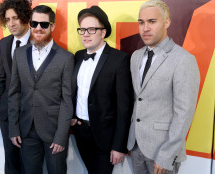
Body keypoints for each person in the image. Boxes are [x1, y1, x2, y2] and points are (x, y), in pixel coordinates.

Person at [127, 0, 200, 174]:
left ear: (166, 22)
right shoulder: (136, 57)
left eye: (152, 21)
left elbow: (184, 113)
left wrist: (167, 155)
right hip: (136, 146)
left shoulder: (183, 59)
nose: (145, 28)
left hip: (162, 151)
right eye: (141, 22)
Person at [8, 5, 74, 174]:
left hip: (53, 133)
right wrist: (14, 128)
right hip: (26, 130)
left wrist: (61, 137)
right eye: (34, 23)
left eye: (44, 24)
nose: (38, 28)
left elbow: (67, 101)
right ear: (29, 24)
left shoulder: (66, 58)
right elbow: (14, 93)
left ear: (52, 26)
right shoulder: (19, 54)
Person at [71, 6, 134, 174]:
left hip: (105, 138)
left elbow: (124, 107)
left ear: (103, 32)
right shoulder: (78, 56)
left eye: (91, 29)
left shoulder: (119, 60)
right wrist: (72, 117)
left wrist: (119, 146)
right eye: (82, 29)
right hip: (80, 131)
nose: (85, 34)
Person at [0, 0, 32, 173]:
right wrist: (0, 103)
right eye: (7, 19)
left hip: (30, 115)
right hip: (7, 113)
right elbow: (1, 76)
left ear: (25, 16)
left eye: (15, 18)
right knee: (10, 159)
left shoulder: (39, 41)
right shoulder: (4, 43)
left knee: (29, 162)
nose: (11, 23)